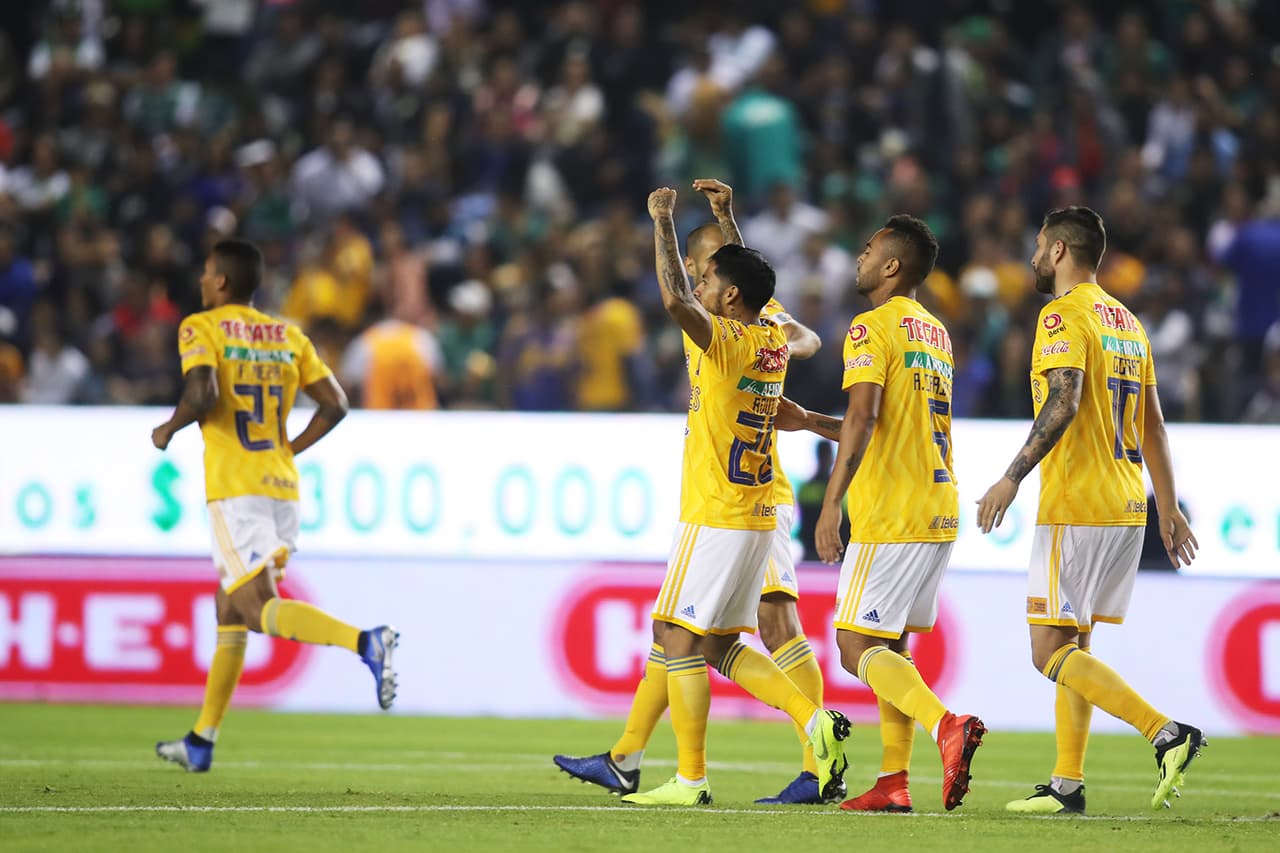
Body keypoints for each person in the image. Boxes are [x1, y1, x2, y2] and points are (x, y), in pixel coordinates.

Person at [555, 179, 836, 805]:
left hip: (718, 510)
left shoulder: (727, 339)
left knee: (684, 635)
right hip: (753, 505)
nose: (698, 282)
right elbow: (765, 309)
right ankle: (634, 757)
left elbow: (679, 301)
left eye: (709, 276)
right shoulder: (769, 339)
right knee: (710, 641)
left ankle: (695, 777)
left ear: (727, 294)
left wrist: (660, 221)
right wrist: (727, 219)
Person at [975, 206, 1204, 815]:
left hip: (1077, 500)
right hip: (1126, 502)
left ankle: (1166, 732)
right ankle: (1067, 784)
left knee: (1047, 650)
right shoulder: (1129, 323)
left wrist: (1010, 476)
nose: (1032, 256)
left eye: (1037, 245)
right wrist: (1167, 505)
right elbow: (1152, 423)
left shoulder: (1063, 314)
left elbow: (1064, 399)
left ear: (1057, 251)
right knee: (1075, 646)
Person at [151, 239, 398, 772]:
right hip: (281, 487)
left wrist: (168, 427)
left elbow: (202, 393)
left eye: (205, 272)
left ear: (220, 282)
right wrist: (291, 447)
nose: (200, 280)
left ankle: (364, 642)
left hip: (236, 488)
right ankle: (202, 739)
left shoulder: (202, 327)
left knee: (255, 608)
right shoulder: (289, 335)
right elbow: (336, 404)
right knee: (229, 608)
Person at [776, 215, 986, 813]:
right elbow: (888, 423)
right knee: (890, 643)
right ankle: (894, 783)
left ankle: (947, 725)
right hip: (937, 503)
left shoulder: (870, 327)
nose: (859, 258)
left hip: (891, 509)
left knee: (851, 645)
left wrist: (833, 500)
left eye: (868, 250)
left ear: (892, 265)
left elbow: (866, 420)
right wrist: (813, 420)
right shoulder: (935, 332)